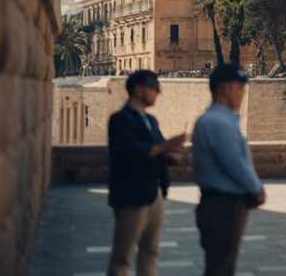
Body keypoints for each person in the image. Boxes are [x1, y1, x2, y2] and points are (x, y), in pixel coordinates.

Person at [107, 70, 186, 276]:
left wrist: (170, 157)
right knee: (122, 257)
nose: (157, 92)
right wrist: (166, 146)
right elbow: (130, 150)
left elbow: (157, 150)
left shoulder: (151, 121)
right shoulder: (120, 120)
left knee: (150, 252)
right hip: (130, 196)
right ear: (138, 89)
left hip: (154, 194)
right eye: (153, 87)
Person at [192, 63, 265, 276]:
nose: (243, 95)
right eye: (240, 88)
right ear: (226, 88)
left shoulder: (218, 120)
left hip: (221, 204)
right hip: (224, 206)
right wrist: (256, 188)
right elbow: (234, 164)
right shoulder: (217, 123)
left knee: (222, 265)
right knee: (221, 268)